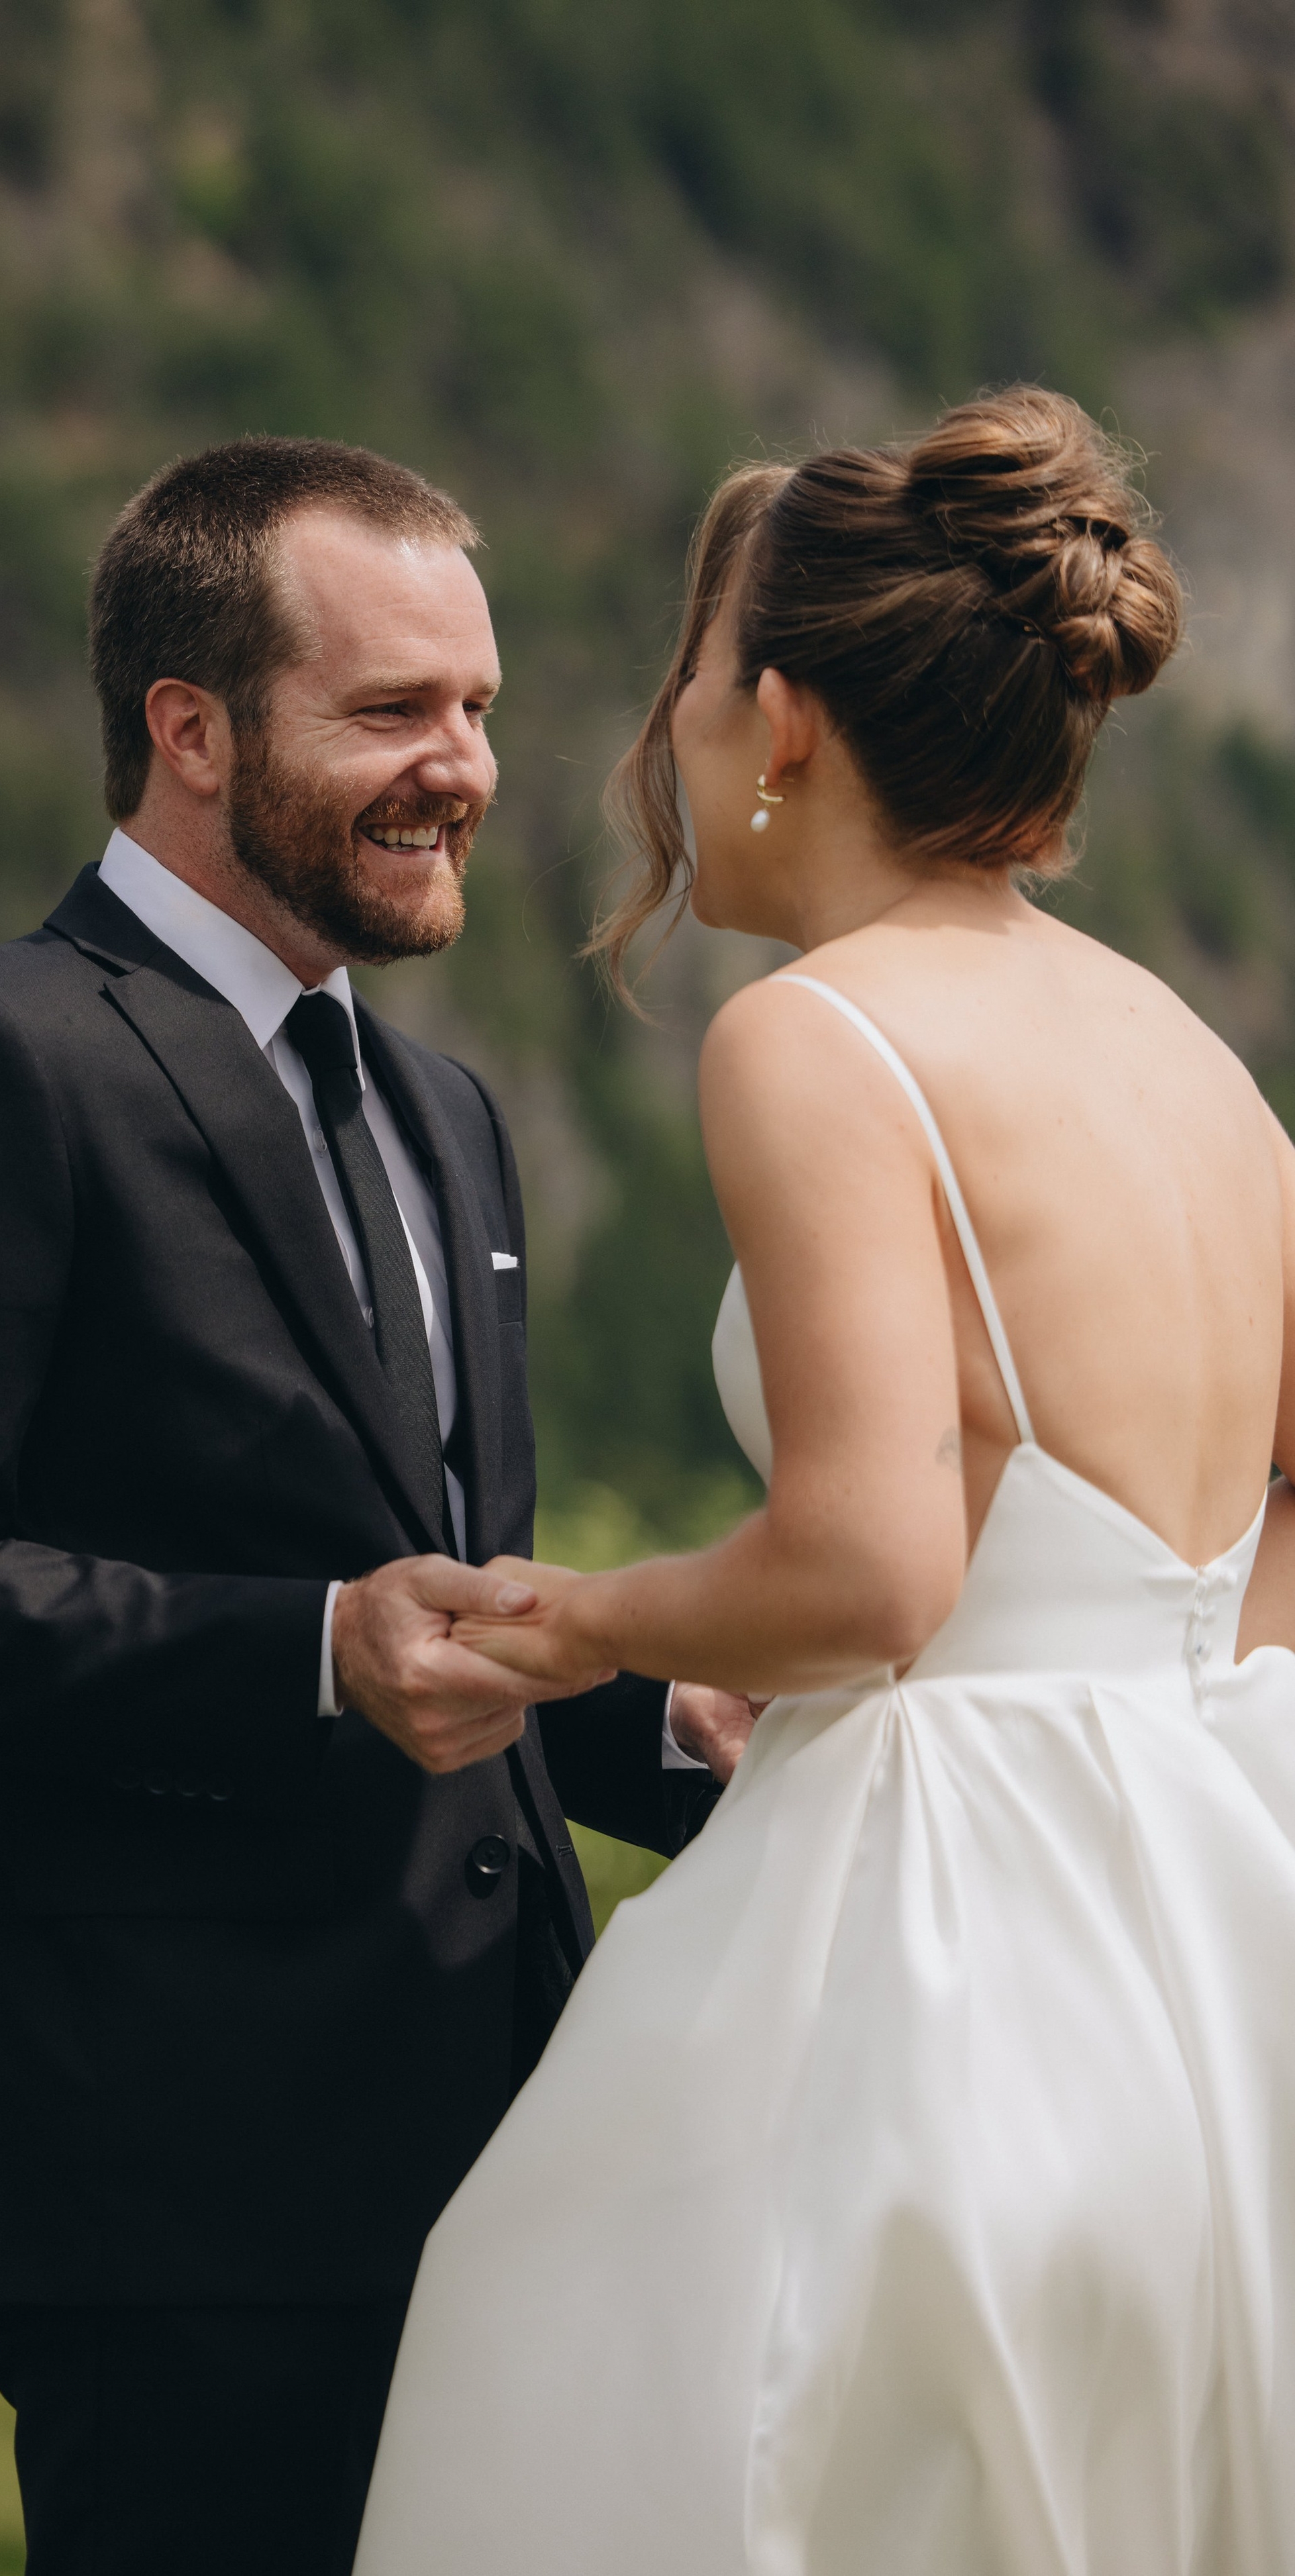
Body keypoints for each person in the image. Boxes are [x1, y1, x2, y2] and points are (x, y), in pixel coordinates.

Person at [0, 436, 749, 2575]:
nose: (461, 766)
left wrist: (680, 1735)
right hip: (175, 2174)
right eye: (390, 712)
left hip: (501, 2137)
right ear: (189, 729)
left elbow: (433, 1614)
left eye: (475, 708)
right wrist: (307, 1655)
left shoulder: (450, 1111)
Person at [354, 389, 1295, 2574]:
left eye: (691, 678)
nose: (671, 729)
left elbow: (871, 1567)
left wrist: (566, 1619)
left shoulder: (822, 1036)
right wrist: (1166, 1742)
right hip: (1227, 1929)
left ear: (778, 715)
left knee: (634, 2401)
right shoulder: (1196, 1059)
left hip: (941, 1929)